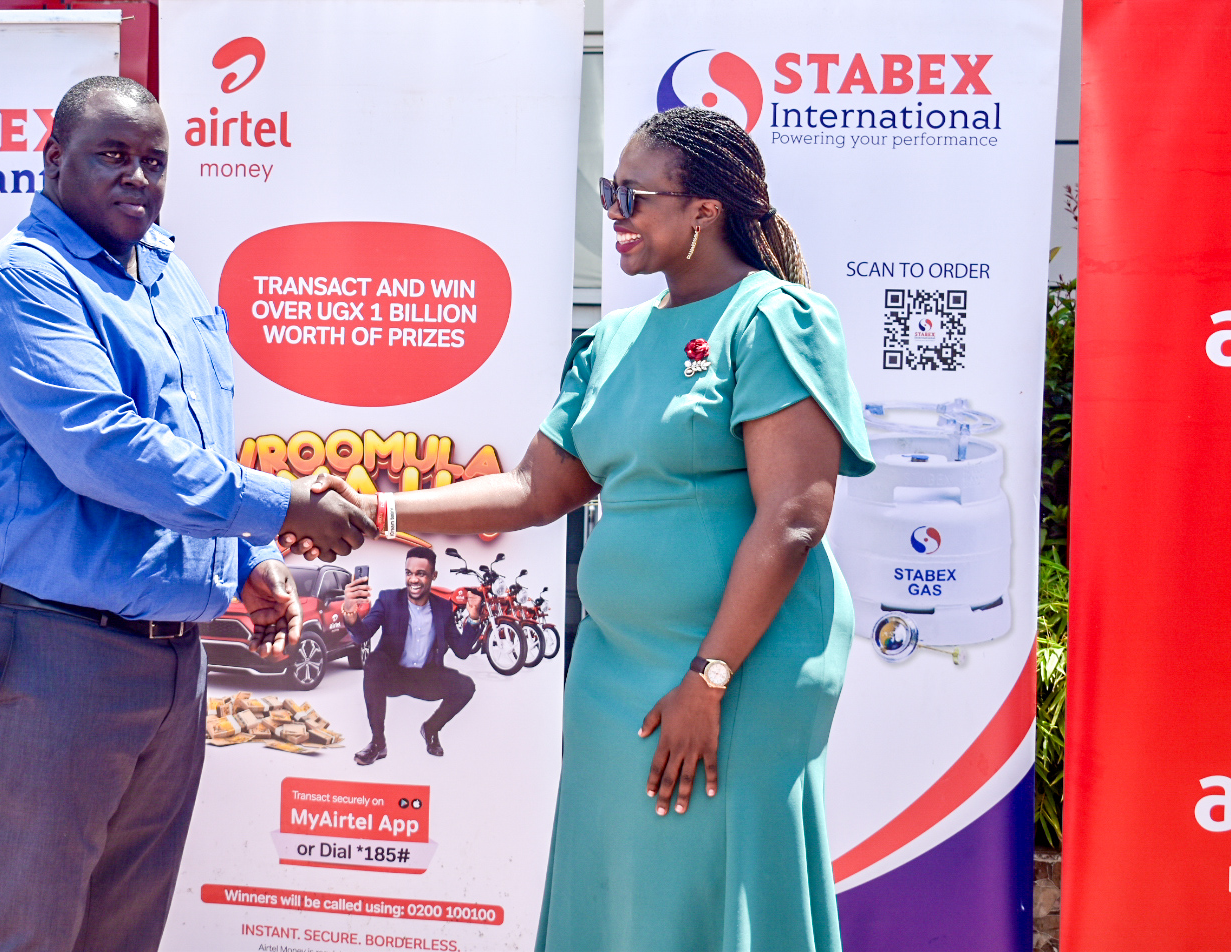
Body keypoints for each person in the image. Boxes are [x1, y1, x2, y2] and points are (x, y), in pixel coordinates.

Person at [293, 106, 874, 950]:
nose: (614, 212)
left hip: (733, 668)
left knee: (712, 877)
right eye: (609, 192)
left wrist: (707, 680)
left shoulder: (772, 318)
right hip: (617, 669)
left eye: (633, 195)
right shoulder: (613, 341)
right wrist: (374, 511)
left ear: (703, 211)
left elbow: (792, 519)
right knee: (615, 878)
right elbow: (534, 489)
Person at [0, 75, 373, 952]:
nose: (138, 177)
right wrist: (278, 507)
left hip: (168, 656)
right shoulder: (25, 284)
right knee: (33, 928)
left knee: (121, 933)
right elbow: (104, 447)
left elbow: (190, 436)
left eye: (154, 161)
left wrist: (244, 564)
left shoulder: (168, 275)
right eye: (114, 155)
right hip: (50, 647)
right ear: (54, 161)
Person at [339, 547, 484, 764]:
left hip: (425, 679)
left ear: (433, 576)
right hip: (392, 676)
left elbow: (462, 651)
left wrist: (473, 619)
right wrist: (350, 611)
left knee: (466, 686)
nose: (413, 580)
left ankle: (431, 729)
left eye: (421, 574)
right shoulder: (388, 600)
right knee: (374, 662)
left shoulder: (444, 608)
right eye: (409, 573)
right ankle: (378, 743)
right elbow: (362, 635)